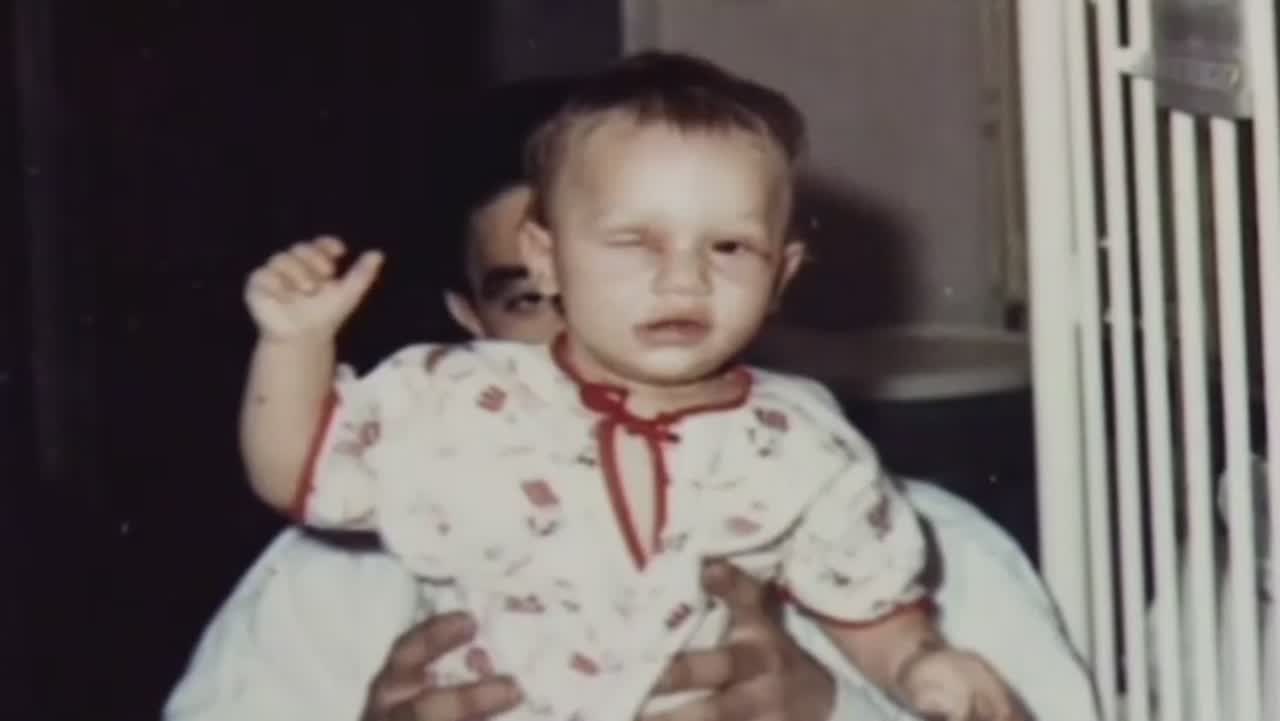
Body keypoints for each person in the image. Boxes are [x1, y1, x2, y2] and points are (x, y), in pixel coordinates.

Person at [164, 70, 1100, 721]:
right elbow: (297, 466)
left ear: (778, 277)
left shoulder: (834, 476)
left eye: (725, 248)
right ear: (529, 274)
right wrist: (294, 345)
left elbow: (890, 624)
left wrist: (851, 698)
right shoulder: (414, 461)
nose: (677, 283)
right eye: (533, 298)